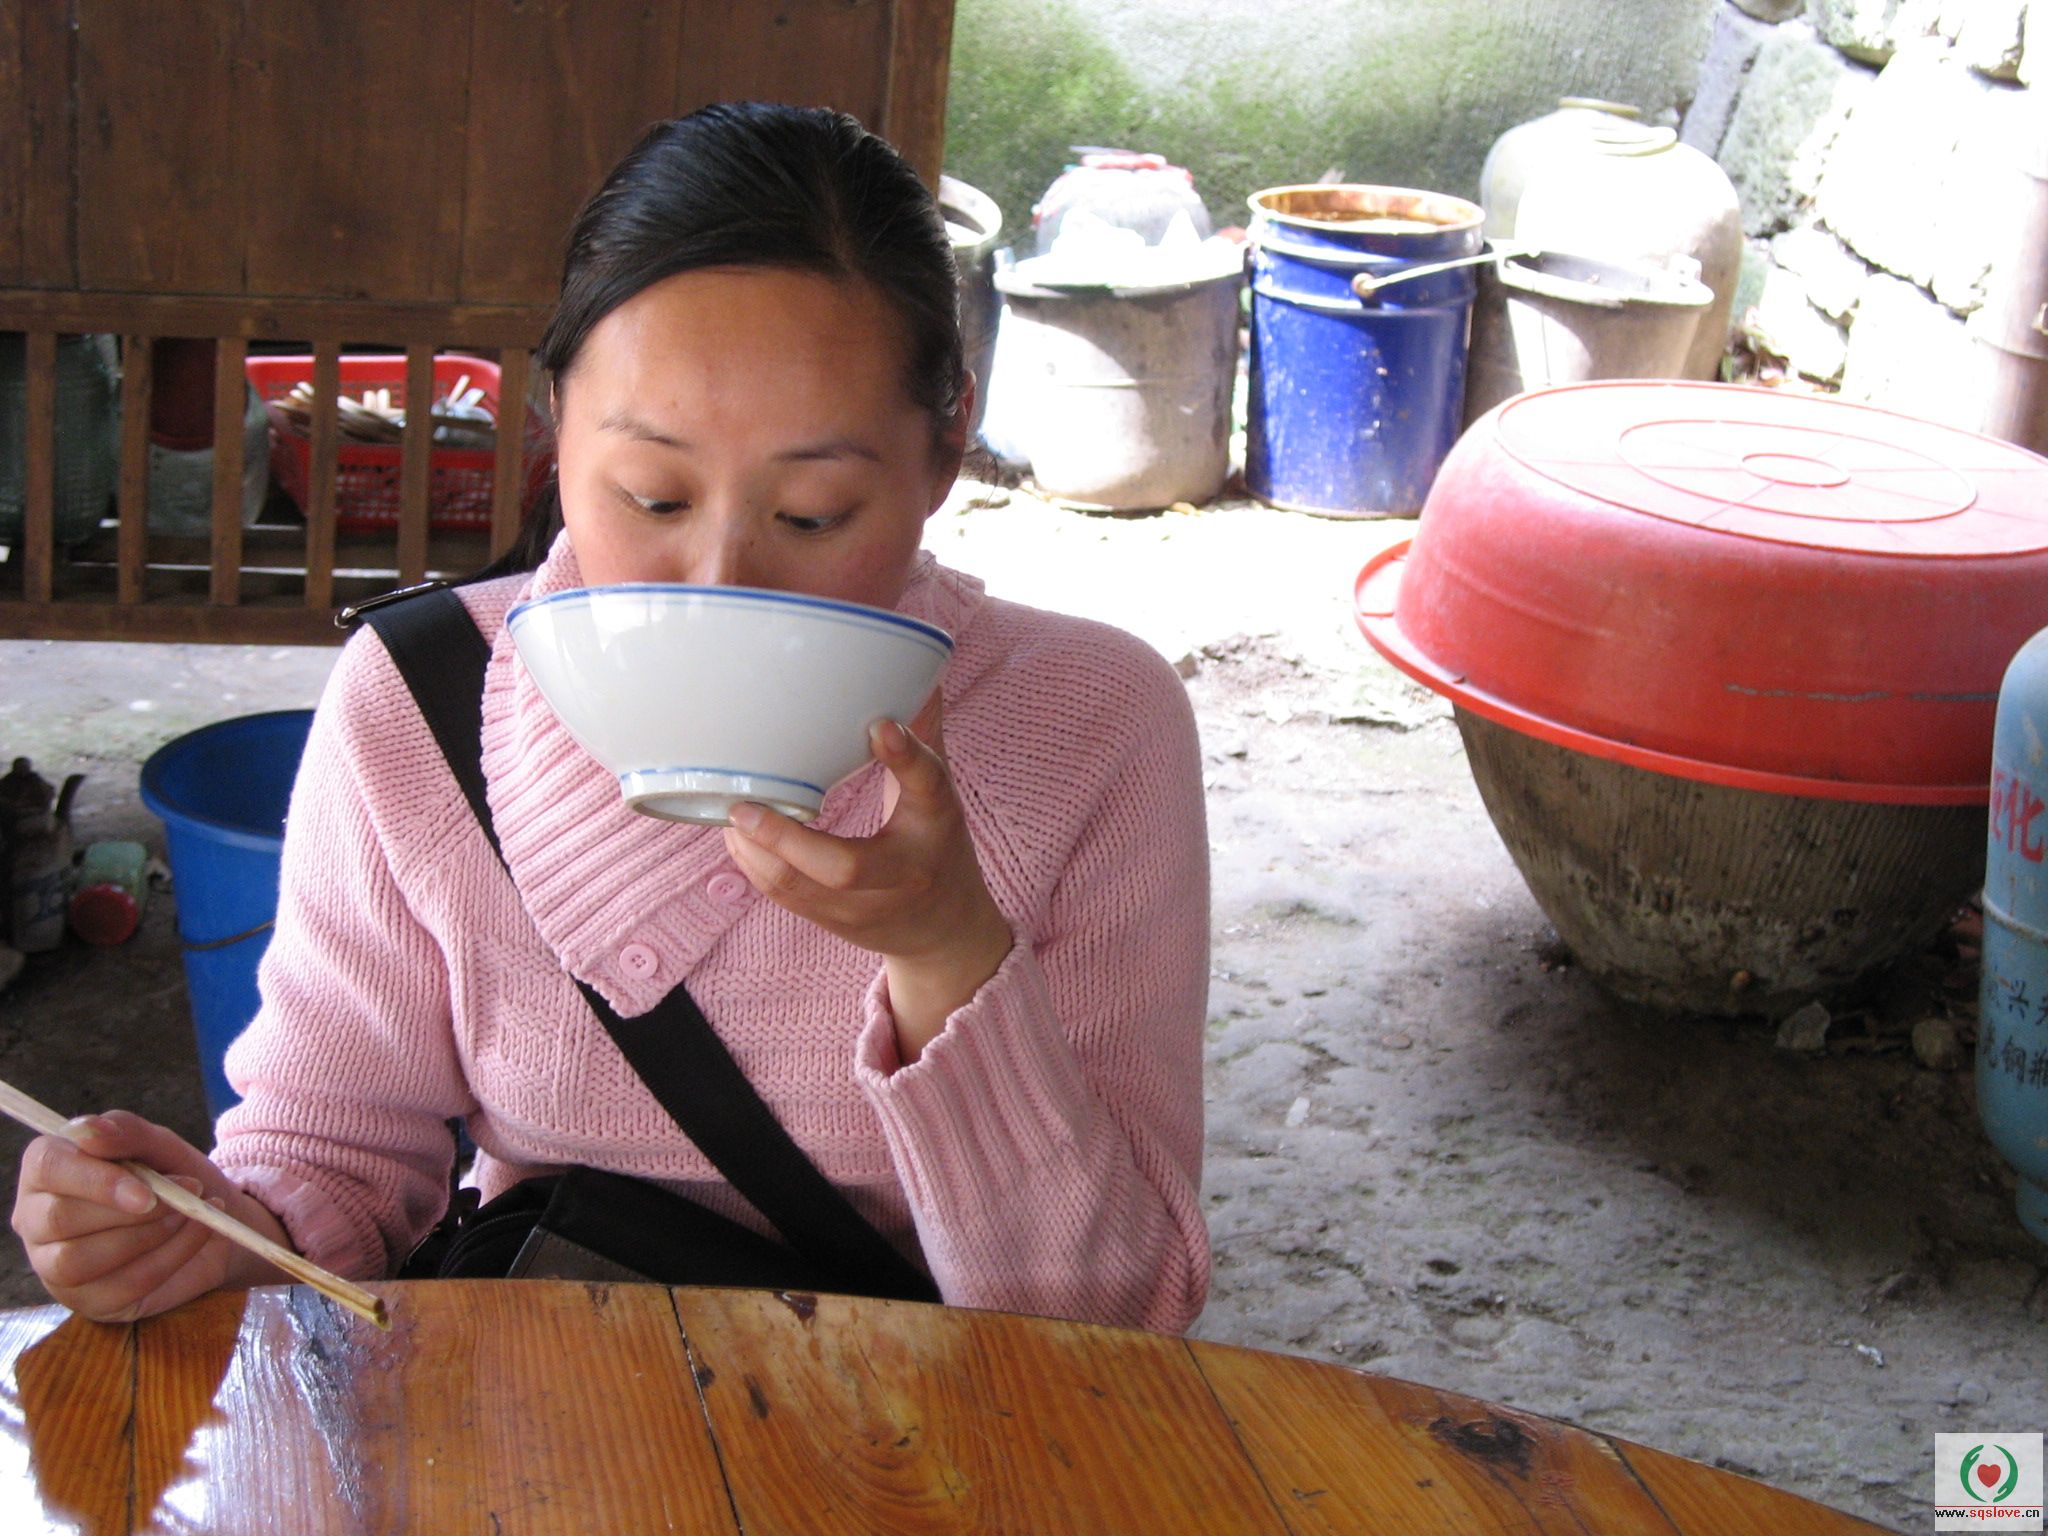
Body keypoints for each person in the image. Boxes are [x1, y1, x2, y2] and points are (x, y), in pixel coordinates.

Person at [10, 103, 1211, 1333]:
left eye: (812, 514)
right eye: (651, 494)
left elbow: (1120, 1322)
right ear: (555, 420)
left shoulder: (1093, 724)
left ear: (945, 445)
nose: (719, 581)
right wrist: (202, 1237)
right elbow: (330, 1161)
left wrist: (948, 952)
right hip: (542, 1410)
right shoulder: (423, 701)